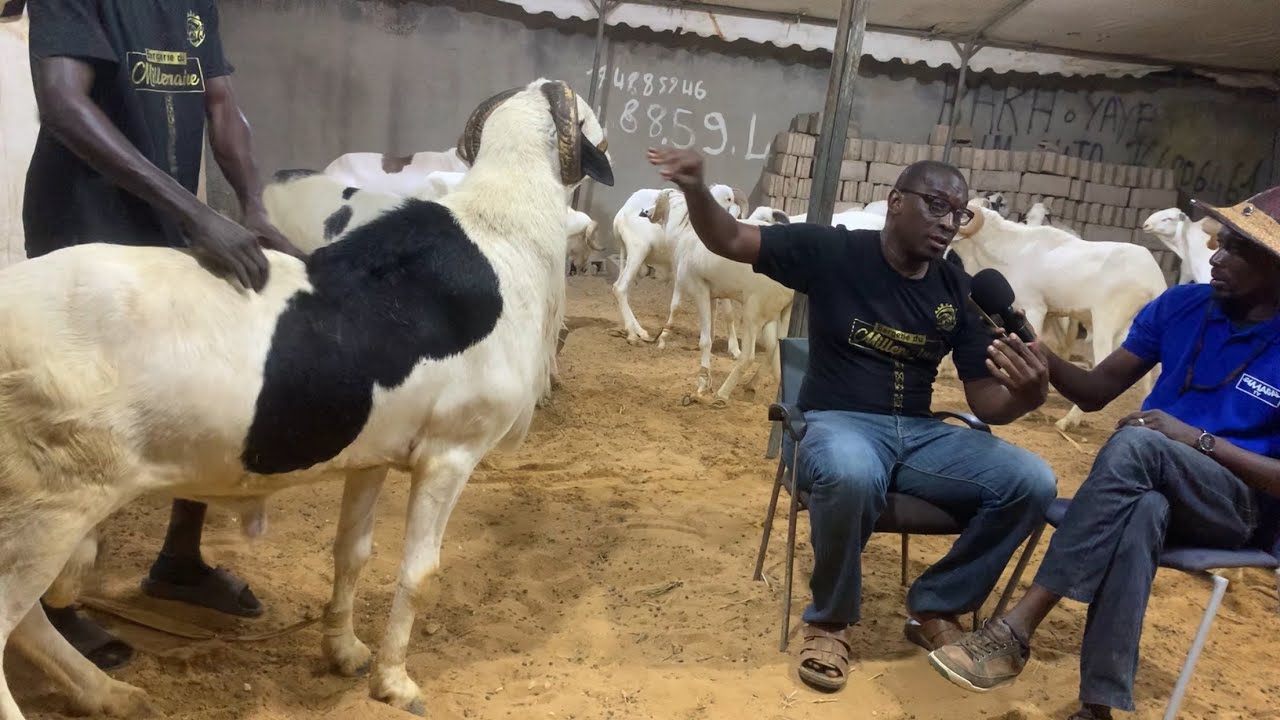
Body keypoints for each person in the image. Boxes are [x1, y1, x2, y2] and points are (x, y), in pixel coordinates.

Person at [647, 148, 1058, 692]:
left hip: (920, 433)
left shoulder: (956, 288)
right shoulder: (833, 251)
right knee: (852, 469)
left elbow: (985, 403)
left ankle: (936, 607)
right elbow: (730, 239)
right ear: (895, 202)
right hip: (837, 422)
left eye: (958, 214)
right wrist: (697, 191)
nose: (947, 223)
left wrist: (1024, 398)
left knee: (1033, 481)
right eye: (935, 205)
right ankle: (831, 622)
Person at [22, 0, 304, 671]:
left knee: (193, 376)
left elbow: (220, 103)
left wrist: (252, 205)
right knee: (86, 415)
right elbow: (62, 105)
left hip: (162, 208)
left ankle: (179, 561)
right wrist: (193, 213)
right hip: (82, 215)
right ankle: (55, 606)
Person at [927, 187, 1280, 720]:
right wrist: (1041, 356)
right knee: (1141, 510)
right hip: (1154, 485)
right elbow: (1094, 394)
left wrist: (1198, 440)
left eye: (1234, 250)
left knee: (1140, 442)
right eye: (1220, 243)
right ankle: (1099, 708)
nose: (1214, 256)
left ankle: (1017, 627)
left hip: (1236, 507)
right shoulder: (1181, 306)